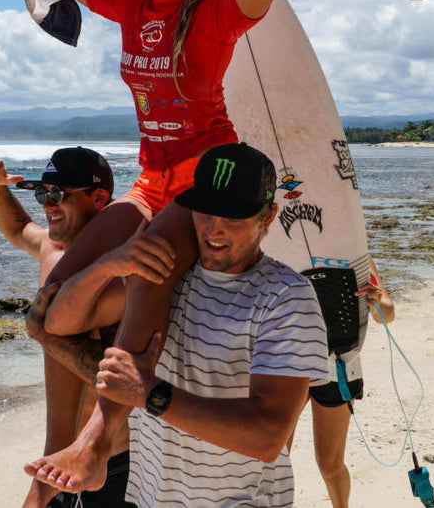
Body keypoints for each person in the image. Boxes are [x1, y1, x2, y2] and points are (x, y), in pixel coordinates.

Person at [23, 0, 323, 494]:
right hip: (151, 180)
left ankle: (99, 439)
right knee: (46, 308)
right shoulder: (128, 4)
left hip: (201, 179)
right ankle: (117, 371)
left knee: (150, 268)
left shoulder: (217, 13)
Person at [39, 143, 330, 505]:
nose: (214, 231)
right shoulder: (166, 278)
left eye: (233, 218)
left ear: (268, 216)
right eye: (204, 213)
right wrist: (109, 265)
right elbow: (56, 323)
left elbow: (267, 437)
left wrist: (149, 393)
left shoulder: (286, 298)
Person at [0, 147, 128, 508]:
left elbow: (116, 376)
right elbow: (19, 227)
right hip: (58, 464)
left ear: (99, 198)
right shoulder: (53, 250)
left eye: (57, 194)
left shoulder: (123, 263)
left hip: (116, 464)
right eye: (41, 193)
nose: (47, 204)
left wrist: (40, 491)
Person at [296, 257, 395, 508]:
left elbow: (388, 313)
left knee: (329, 464)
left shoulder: (352, 251)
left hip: (337, 366)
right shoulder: (279, 243)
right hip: (289, 364)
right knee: (272, 458)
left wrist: (374, 301)